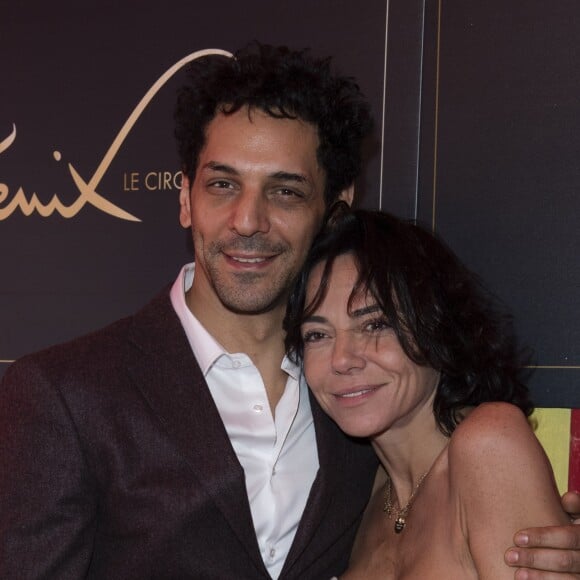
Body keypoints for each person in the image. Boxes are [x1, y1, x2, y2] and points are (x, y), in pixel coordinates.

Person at [0, 43, 578, 580]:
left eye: (285, 191)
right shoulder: (63, 395)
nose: (247, 221)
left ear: (334, 209)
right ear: (185, 198)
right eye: (223, 184)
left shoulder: (358, 411)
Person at [284, 204, 577, 579]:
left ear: (434, 326)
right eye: (318, 335)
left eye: (374, 324)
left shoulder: (487, 444)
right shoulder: (364, 495)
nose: (342, 359)